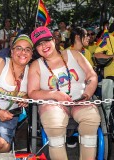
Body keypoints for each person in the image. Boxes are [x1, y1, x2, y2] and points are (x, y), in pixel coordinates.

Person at [28, 26, 101, 160]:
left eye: (46, 40)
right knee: (54, 123)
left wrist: (87, 94)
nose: (44, 46)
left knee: (91, 118)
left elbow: (92, 75)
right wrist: (54, 94)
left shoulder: (74, 54)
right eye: (39, 44)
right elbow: (32, 92)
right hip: (53, 104)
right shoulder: (36, 65)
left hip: (80, 99)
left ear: (54, 40)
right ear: (36, 49)